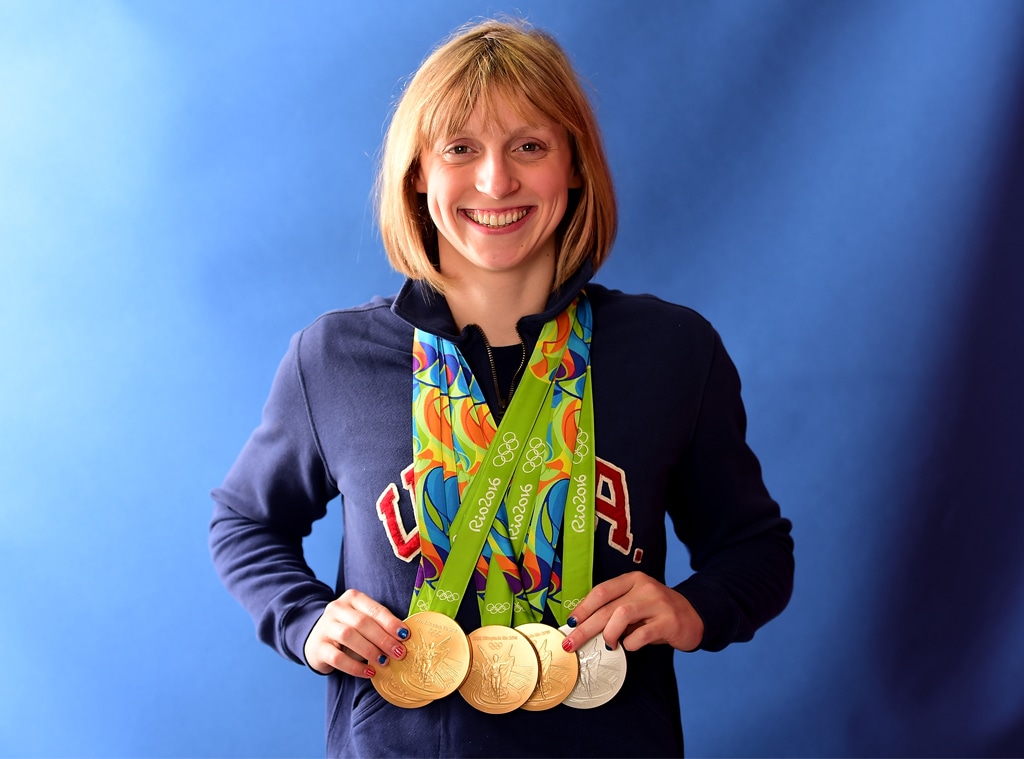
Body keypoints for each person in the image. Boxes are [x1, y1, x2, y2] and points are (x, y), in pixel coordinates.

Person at [210, 17, 794, 758]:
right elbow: (243, 521)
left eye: (530, 146)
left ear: (575, 165)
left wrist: (694, 609)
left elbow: (756, 546)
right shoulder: (333, 357)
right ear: (418, 172)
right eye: (461, 148)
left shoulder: (673, 350)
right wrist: (305, 619)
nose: (497, 181)